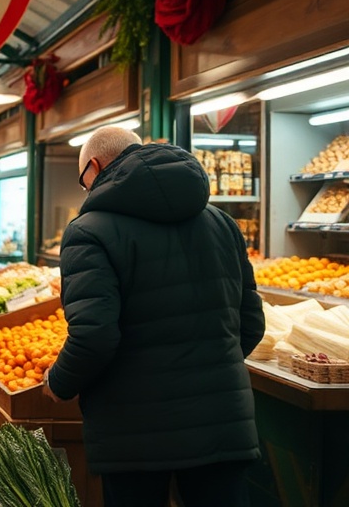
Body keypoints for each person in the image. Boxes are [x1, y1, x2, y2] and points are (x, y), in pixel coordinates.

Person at [42, 127, 265, 507]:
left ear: (94, 167)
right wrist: (207, 367)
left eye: (83, 181)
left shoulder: (88, 231)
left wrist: (59, 382)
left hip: (134, 431)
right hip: (221, 422)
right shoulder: (222, 223)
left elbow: (94, 335)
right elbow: (251, 323)